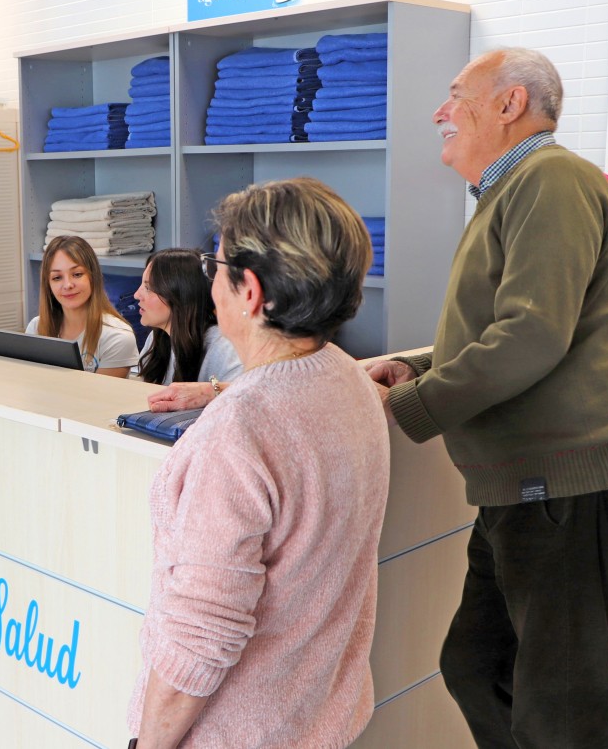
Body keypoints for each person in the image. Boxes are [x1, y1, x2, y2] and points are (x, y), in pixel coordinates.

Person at [365, 48, 608, 748]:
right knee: (474, 664)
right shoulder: (514, 190)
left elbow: (530, 335)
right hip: (520, 490)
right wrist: (416, 367)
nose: (439, 111)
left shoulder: (549, 179)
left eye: (456, 94)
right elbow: (508, 326)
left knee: (561, 712)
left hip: (561, 490)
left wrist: (417, 406)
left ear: (509, 104)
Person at [128, 177, 390, 747]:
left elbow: (201, 635)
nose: (210, 282)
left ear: (249, 291)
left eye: (214, 267)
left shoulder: (238, 434)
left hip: (240, 730)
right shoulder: (352, 382)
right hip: (322, 717)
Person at [26, 235, 139, 377]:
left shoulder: (117, 337)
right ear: (48, 285)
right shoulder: (36, 327)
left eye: (77, 274)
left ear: (93, 276)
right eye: (57, 278)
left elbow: (99, 397)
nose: (68, 285)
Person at [134, 247, 242, 387]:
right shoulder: (157, 339)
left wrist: (212, 390)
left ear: (179, 295)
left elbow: (244, 396)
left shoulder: (224, 347)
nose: (136, 295)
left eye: (148, 288)